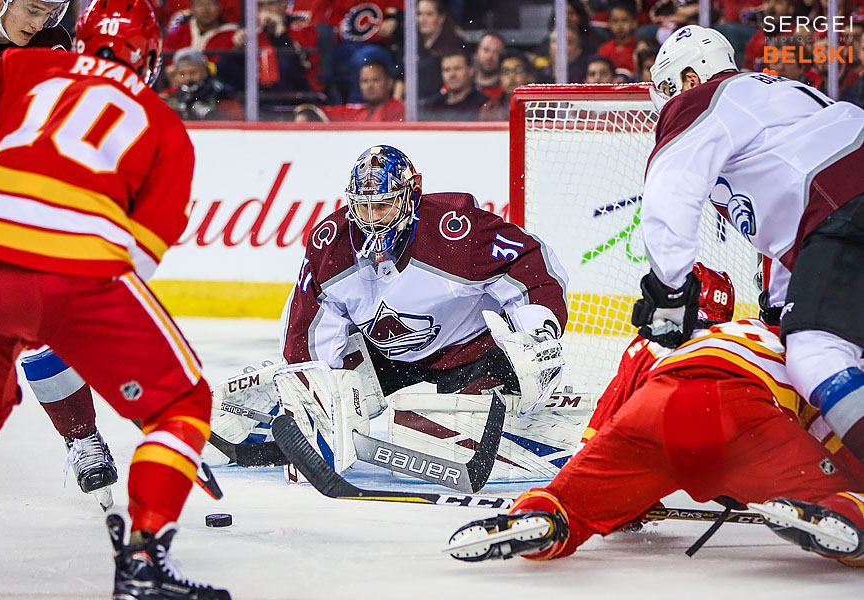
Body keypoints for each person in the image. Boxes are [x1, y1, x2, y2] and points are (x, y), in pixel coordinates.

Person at [0, 0, 230, 597]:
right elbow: (138, 258)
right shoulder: (163, 126)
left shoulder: (31, 68)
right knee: (182, 401)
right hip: (74, 271)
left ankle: (81, 437)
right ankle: (144, 561)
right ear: (152, 56)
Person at [446, 264, 864, 566]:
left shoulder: (652, 343)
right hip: (742, 417)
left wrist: (598, 485)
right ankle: (845, 511)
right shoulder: (784, 340)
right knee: (842, 497)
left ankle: (542, 516)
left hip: (656, 413)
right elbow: (826, 421)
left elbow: (607, 419)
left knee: (573, 507)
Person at [627, 24, 864, 515]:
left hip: (846, 205)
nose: (665, 101)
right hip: (842, 207)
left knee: (817, 354)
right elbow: (791, 231)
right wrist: (780, 306)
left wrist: (669, 290)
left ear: (690, 77)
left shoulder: (702, 99)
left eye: (668, 87)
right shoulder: (780, 96)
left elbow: (670, 193)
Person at [0, 0, 119, 507]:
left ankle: (82, 438)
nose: (40, 24)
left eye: (51, 13)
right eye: (33, 9)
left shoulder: (52, 46)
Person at [280, 144, 569, 403]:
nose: (372, 220)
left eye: (383, 205)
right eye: (362, 207)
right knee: (323, 389)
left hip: (471, 353)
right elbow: (308, 323)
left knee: (456, 427)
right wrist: (310, 391)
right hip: (387, 355)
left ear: (412, 196)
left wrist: (538, 334)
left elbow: (528, 260)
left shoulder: (456, 232)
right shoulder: (331, 245)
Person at [160, 47, 243, 120]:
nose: (187, 78)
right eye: (182, 74)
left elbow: (233, 121)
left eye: (193, 73)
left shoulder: (220, 93)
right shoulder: (169, 96)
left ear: (205, 72)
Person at [319, 61, 404, 122]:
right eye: (365, 81)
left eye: (376, 80)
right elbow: (322, 112)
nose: (370, 86)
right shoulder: (357, 112)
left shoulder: (398, 108)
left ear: (389, 83)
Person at [420, 49, 489, 121]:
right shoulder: (432, 106)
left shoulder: (484, 105)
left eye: (457, 68)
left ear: (470, 71)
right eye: (447, 70)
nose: (452, 74)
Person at [473, 31, 504, 100]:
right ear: (477, 53)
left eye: (496, 52)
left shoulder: (506, 90)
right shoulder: (464, 85)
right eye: (486, 50)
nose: (490, 57)